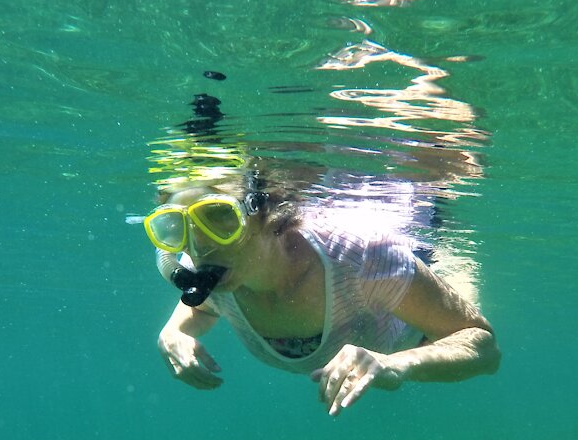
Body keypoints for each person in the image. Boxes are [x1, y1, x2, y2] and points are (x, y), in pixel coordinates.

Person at [144, 172, 500, 417]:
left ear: (264, 213)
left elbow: (484, 347)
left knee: (449, 291)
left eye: (219, 217)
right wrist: (174, 332)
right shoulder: (210, 269)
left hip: (409, 308)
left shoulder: (362, 258)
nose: (199, 245)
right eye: (177, 226)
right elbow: (203, 306)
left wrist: (395, 365)